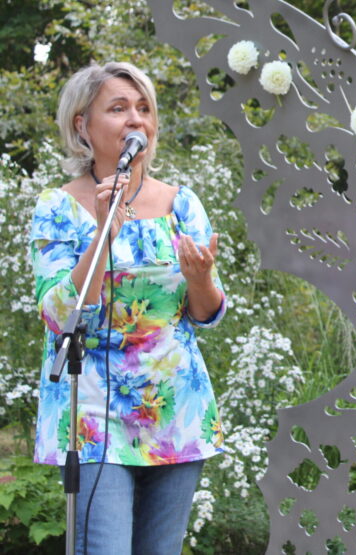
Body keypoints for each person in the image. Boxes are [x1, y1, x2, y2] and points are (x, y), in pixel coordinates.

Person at [31, 62, 227, 554]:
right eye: (118, 108)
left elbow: (207, 314)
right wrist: (103, 231)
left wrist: (202, 279)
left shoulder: (182, 204)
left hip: (173, 412)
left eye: (143, 109)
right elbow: (59, 315)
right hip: (93, 413)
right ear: (82, 124)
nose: (135, 120)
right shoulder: (57, 207)